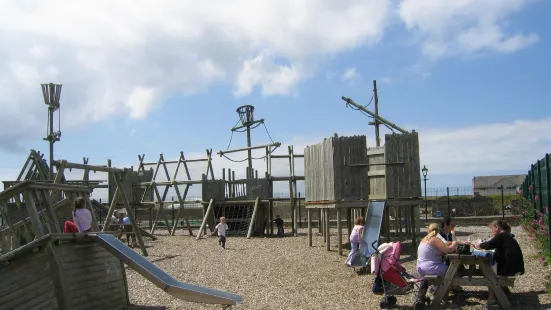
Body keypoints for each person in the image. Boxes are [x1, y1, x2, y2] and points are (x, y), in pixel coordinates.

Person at [475, 220, 524, 306]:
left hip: (510, 269)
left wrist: (478, 244)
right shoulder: (506, 235)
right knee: (492, 266)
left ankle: (491, 298)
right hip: (514, 267)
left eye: (492, 229)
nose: (492, 231)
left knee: (488, 272)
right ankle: (504, 291)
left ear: (497, 227)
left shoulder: (501, 235)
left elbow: (488, 245)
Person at [416, 223, 457, 300]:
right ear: (438, 231)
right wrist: (454, 241)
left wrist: (449, 243)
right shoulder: (435, 239)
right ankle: (441, 293)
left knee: (446, 269)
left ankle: (436, 289)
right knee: (451, 270)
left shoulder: (425, 239)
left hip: (420, 267)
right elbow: (448, 250)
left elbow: (442, 245)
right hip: (430, 267)